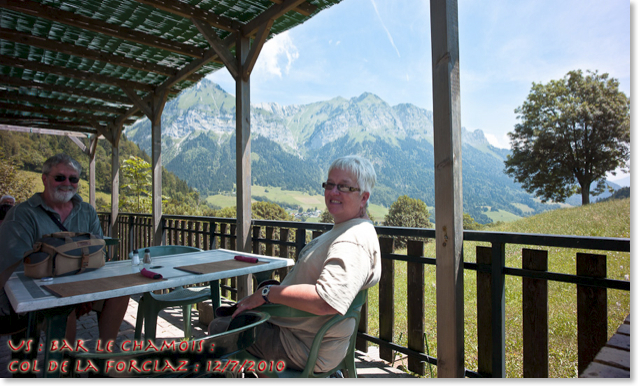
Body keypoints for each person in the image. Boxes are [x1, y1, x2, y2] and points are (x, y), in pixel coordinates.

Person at [209, 155, 381, 373]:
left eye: (344, 187)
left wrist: (267, 293)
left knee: (219, 328)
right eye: (329, 184)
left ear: (364, 197)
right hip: (303, 336)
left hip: (301, 347)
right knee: (235, 318)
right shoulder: (350, 229)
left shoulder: (351, 240)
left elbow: (326, 301)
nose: (333, 192)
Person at [0, 154, 129, 346]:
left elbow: (97, 254)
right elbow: (18, 270)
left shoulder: (87, 211)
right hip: (35, 297)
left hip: (78, 289)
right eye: (60, 177)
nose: (67, 183)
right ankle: (66, 368)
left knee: (120, 293)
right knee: (63, 308)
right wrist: (74, 295)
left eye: (73, 179)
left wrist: (86, 293)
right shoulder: (22, 214)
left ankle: (106, 360)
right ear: (44, 178)